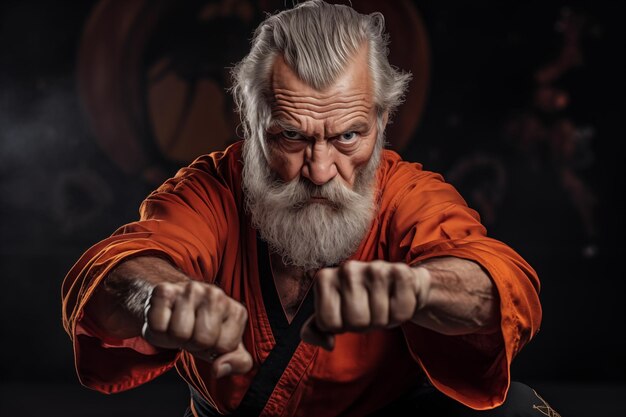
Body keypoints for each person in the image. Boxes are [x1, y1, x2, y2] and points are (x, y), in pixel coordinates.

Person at [62, 1, 557, 416]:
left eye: (348, 136)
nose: (320, 170)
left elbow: (496, 282)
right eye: (291, 136)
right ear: (251, 119)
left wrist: (418, 289)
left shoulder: (408, 193)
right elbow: (124, 265)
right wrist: (159, 296)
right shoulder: (210, 190)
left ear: (381, 121)